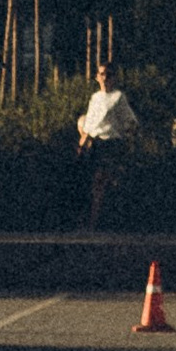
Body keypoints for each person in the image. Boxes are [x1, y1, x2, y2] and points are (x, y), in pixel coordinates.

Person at [75, 63, 139, 230]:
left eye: (108, 75)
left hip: (111, 143)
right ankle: (91, 221)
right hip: (95, 143)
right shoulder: (95, 97)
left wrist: (129, 137)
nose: (105, 78)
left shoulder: (118, 97)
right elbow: (90, 121)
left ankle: (95, 222)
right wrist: (83, 140)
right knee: (92, 183)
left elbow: (129, 120)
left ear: (113, 78)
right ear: (97, 77)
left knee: (102, 181)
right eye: (102, 74)